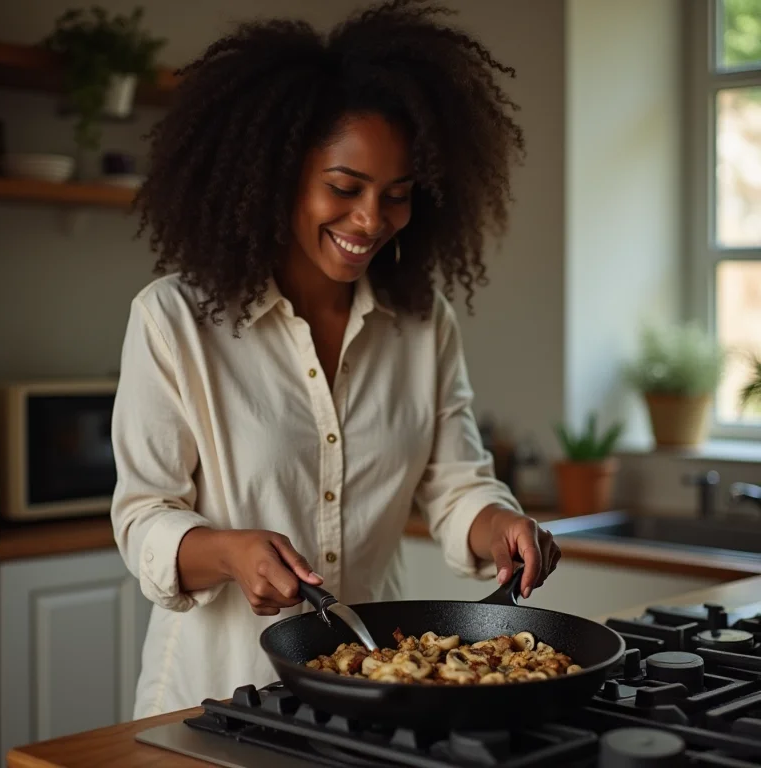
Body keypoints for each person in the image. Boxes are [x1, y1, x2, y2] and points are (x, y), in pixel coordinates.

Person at [111, 0, 561, 719]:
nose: (371, 221)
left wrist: (500, 525)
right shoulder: (174, 319)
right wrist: (229, 552)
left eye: (398, 196)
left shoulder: (421, 324)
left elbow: (455, 486)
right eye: (344, 188)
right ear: (278, 173)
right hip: (213, 698)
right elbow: (143, 518)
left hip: (374, 691)